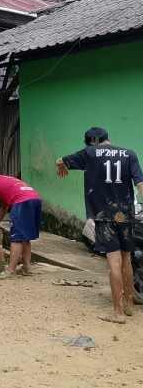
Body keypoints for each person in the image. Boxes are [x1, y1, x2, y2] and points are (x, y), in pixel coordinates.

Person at [56, 127, 143, 324]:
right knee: (126, 258)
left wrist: (61, 167)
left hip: (104, 215)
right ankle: (128, 303)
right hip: (126, 214)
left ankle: (118, 313)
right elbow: (140, 183)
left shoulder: (89, 153)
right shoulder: (129, 153)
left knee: (114, 262)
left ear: (91, 142)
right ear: (106, 138)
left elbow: (60, 160)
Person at [0, 165, 42, 279]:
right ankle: (26, 268)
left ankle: (10, 271)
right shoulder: (3, 181)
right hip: (36, 199)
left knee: (16, 237)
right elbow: (3, 209)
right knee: (24, 237)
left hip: (22, 201)